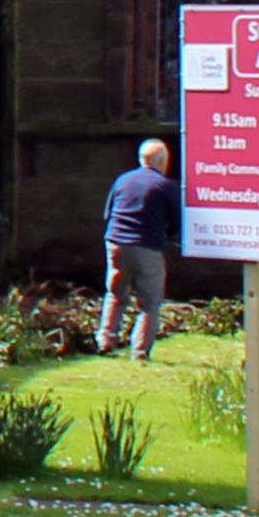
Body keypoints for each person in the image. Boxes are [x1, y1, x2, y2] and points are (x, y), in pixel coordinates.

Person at [99, 138, 182, 357]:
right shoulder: (165, 185)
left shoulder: (123, 180)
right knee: (149, 301)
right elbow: (177, 221)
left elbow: (108, 214)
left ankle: (105, 340)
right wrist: (168, 237)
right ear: (163, 160)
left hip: (116, 243)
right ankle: (139, 351)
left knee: (115, 293)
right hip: (146, 245)